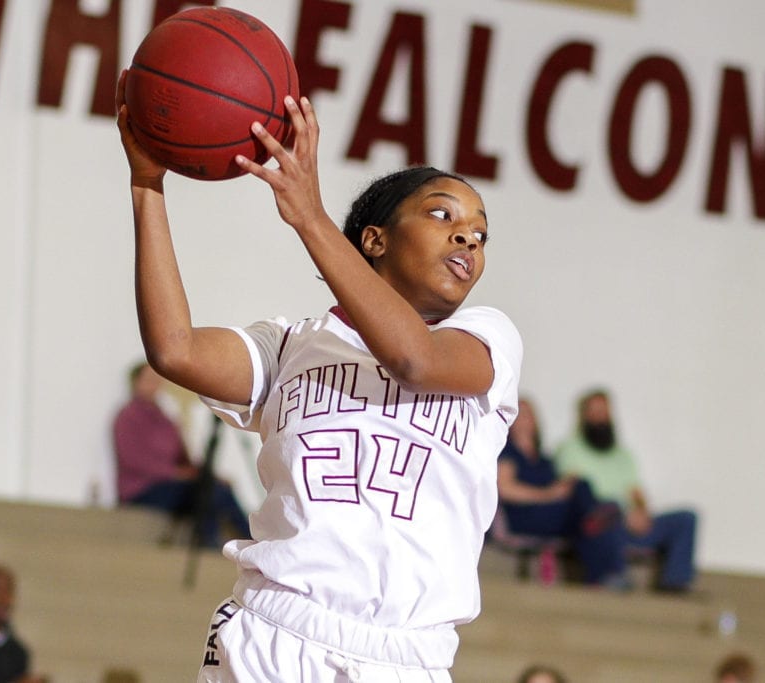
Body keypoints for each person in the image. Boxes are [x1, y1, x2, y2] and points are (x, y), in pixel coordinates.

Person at [116, 69, 522, 681]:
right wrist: (147, 184)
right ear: (375, 239)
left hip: (409, 655)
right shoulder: (288, 347)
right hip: (278, 635)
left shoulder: (488, 341)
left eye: (480, 231)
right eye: (441, 214)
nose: (468, 233)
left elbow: (416, 361)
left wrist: (309, 217)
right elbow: (174, 350)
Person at [555, 388, 698, 592]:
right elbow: (575, 490)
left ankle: (676, 582)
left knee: (686, 518)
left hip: (629, 521)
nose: (600, 418)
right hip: (600, 523)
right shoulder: (570, 448)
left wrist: (642, 512)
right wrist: (621, 513)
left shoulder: (624, 456)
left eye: (604, 412)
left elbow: (636, 492)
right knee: (611, 510)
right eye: (594, 412)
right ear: (584, 416)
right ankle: (614, 576)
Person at [112, 360, 250, 547]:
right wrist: (177, 474)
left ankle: (243, 541)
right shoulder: (127, 417)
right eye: (149, 380)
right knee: (208, 492)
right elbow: (134, 461)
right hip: (144, 490)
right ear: (135, 382)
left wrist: (205, 474)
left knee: (215, 488)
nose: (155, 385)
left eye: (157, 380)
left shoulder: (166, 419)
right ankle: (229, 543)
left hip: (174, 485)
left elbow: (183, 459)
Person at [496, 397, 628, 588]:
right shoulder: (508, 453)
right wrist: (549, 494)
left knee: (591, 500)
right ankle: (597, 526)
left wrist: (563, 488)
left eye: (529, 414)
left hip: (551, 516)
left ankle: (606, 574)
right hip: (525, 516)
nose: (525, 419)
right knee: (592, 502)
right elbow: (505, 489)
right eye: (520, 414)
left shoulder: (544, 459)